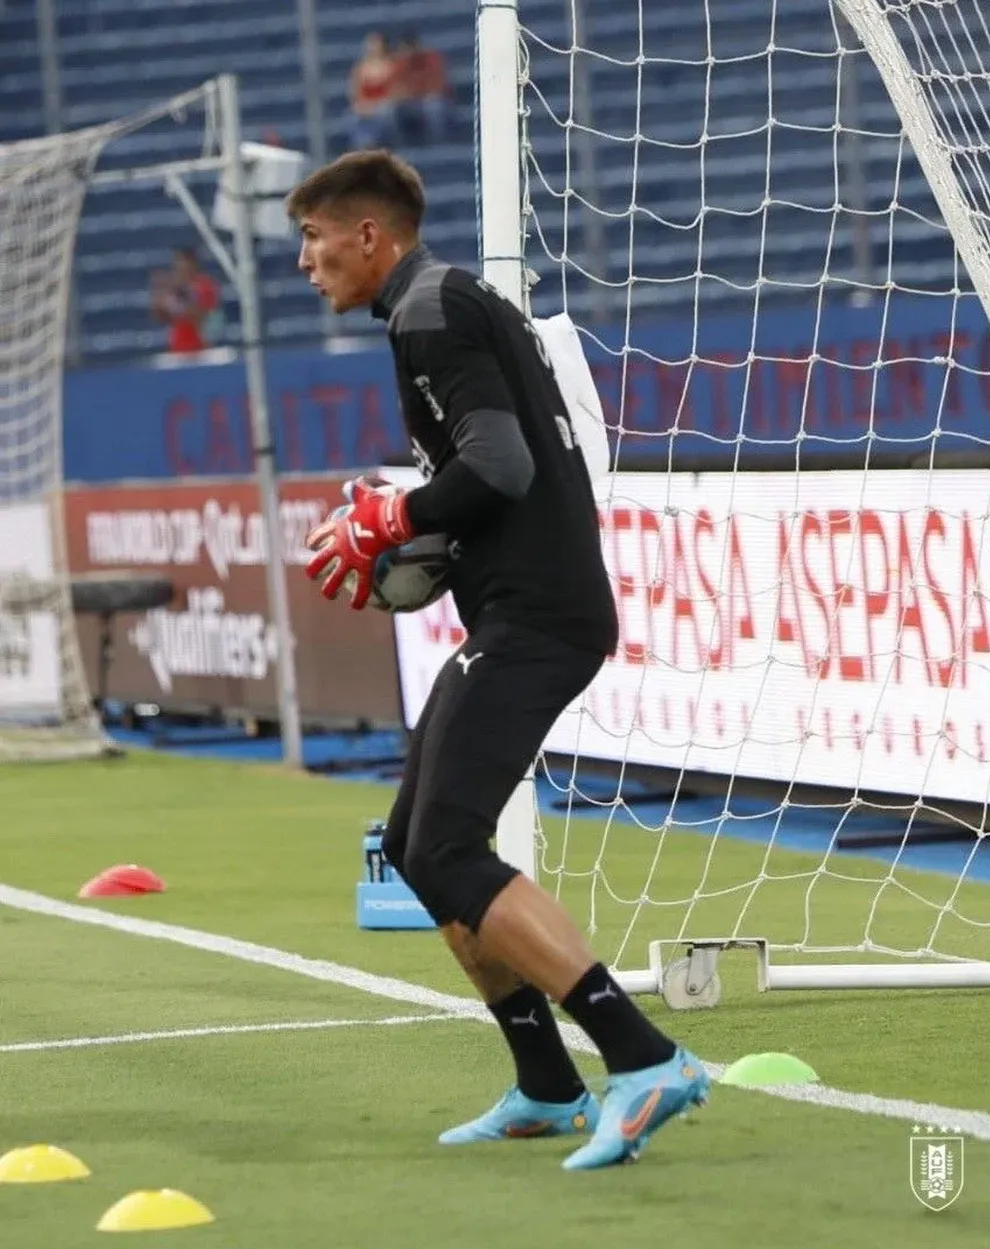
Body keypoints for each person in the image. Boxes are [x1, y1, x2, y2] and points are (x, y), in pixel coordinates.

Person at [287, 149, 709, 1171]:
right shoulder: (447, 302)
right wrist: (424, 533)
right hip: (524, 609)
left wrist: (395, 514)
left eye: (313, 239)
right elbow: (498, 469)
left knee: (446, 849)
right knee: (411, 840)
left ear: (368, 237)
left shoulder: (429, 312)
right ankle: (545, 1080)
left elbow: (500, 463)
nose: (306, 263)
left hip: (539, 618)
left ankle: (642, 1057)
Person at [149, 248, 221, 354]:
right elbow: (159, 316)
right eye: (178, 262)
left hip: (202, 348)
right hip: (178, 348)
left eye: (184, 263)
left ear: (193, 264)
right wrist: (159, 295)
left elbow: (201, 315)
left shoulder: (205, 285)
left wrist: (177, 302)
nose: (181, 267)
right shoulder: (173, 287)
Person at [393, 34, 450, 144]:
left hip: (428, 101)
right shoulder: (398, 64)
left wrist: (417, 92)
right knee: (390, 110)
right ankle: (398, 144)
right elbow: (395, 90)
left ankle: (438, 143)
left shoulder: (431, 60)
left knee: (434, 105)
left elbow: (438, 87)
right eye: (404, 51)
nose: (407, 55)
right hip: (409, 103)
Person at [348, 33, 398, 151]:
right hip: (366, 107)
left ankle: (374, 145)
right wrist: (362, 106)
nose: (372, 47)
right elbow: (355, 93)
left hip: (385, 105)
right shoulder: (360, 68)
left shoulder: (392, 65)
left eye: (375, 44)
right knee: (355, 117)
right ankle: (362, 147)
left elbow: (396, 92)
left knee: (384, 113)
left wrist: (376, 105)